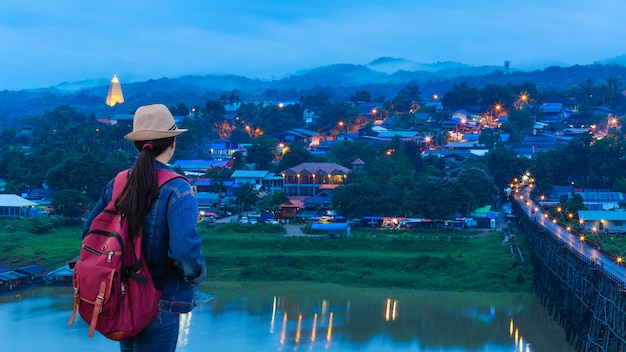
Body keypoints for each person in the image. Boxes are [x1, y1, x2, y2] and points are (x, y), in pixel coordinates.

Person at [82, 104, 206, 352]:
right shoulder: (178, 189)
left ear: (139, 144)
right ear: (172, 142)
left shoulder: (119, 182)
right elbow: (184, 252)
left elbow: (89, 234)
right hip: (160, 301)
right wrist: (198, 275)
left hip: (122, 297)